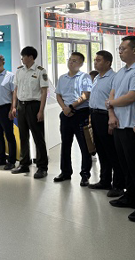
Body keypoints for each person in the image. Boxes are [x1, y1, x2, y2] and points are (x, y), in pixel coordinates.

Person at [106, 35, 135, 222]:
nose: (119, 52)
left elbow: (132, 96)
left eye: (123, 48)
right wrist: (111, 114)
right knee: (125, 166)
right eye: (119, 48)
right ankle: (129, 196)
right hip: (119, 125)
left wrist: (111, 103)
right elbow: (112, 93)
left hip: (133, 127)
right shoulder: (121, 72)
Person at [88, 50, 125, 197]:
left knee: (112, 152)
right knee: (101, 150)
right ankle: (105, 180)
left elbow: (115, 100)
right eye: (95, 60)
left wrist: (111, 119)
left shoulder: (114, 78)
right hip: (95, 115)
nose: (95, 62)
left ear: (108, 63)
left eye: (98, 60)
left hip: (106, 117)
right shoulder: (97, 77)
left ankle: (118, 185)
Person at [54, 52, 93, 186]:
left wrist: (71, 107)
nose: (71, 62)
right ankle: (65, 172)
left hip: (80, 113)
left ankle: (85, 174)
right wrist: (65, 108)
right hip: (66, 114)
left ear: (81, 63)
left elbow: (86, 95)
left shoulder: (85, 77)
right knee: (65, 144)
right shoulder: (62, 78)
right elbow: (58, 95)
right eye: (70, 60)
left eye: (74, 61)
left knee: (84, 145)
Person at [11, 46, 49, 179]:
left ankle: (42, 167)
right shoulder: (19, 71)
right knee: (23, 136)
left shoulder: (40, 71)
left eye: (24, 56)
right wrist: (14, 106)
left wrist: (41, 110)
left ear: (31, 57)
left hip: (34, 106)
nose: (22, 58)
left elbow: (44, 92)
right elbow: (16, 90)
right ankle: (24, 164)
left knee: (38, 137)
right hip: (21, 106)